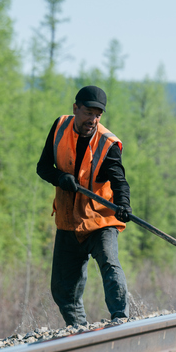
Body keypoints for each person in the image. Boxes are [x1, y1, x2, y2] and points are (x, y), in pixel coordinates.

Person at [36, 86, 132, 326]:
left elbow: (119, 180)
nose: (93, 119)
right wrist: (60, 178)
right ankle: (78, 330)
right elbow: (43, 167)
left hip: (100, 220)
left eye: (98, 115)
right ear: (75, 108)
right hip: (68, 220)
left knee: (110, 265)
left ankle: (120, 321)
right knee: (62, 288)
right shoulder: (59, 127)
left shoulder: (107, 143)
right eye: (88, 112)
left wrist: (123, 204)